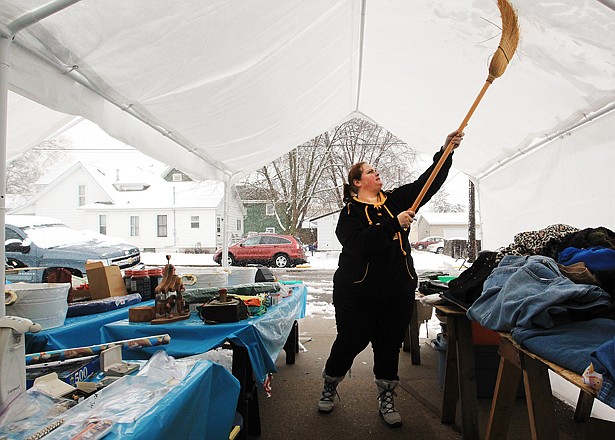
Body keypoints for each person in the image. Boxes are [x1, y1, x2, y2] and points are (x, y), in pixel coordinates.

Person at [317, 130, 464, 427]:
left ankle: (386, 396)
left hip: (396, 291)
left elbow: (428, 182)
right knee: (350, 341)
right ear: (358, 182)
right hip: (357, 294)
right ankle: (330, 384)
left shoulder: (395, 201)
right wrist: (392, 225)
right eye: (371, 171)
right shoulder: (349, 213)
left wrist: (445, 152)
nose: (377, 172)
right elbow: (359, 245)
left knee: (388, 345)